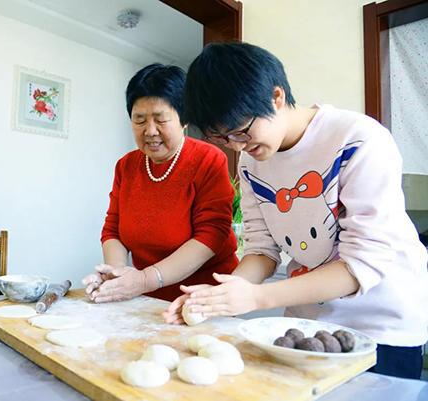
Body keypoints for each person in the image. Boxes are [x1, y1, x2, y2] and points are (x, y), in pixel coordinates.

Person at [163, 42, 428, 380]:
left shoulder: (360, 139)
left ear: (276, 97)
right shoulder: (250, 163)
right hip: (305, 325)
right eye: (225, 139)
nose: (238, 147)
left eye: (242, 131)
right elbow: (262, 250)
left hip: (382, 326)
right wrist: (221, 297)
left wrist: (256, 298)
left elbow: (362, 264)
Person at [82, 63, 239, 303]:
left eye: (160, 119)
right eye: (140, 120)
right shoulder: (126, 166)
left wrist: (144, 279)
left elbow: (211, 235)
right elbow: (113, 229)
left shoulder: (208, 159)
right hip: (145, 297)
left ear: (184, 119)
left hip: (201, 297)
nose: (150, 131)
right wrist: (117, 276)